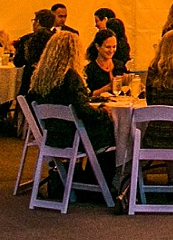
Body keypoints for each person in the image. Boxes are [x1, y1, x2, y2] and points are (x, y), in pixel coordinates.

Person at [27, 29, 115, 189]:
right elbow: (84, 110)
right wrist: (103, 111)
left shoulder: (41, 76)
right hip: (73, 136)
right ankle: (104, 182)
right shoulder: (71, 77)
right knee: (113, 132)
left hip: (52, 134)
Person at [13, 8, 57, 96]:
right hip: (51, 80)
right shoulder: (57, 39)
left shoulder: (27, 39)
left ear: (37, 22)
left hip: (30, 80)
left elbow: (18, 62)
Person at [83, 27, 121, 95]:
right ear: (97, 46)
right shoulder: (89, 70)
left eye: (114, 47)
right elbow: (88, 94)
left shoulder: (119, 65)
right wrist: (106, 88)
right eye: (108, 47)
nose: (111, 50)